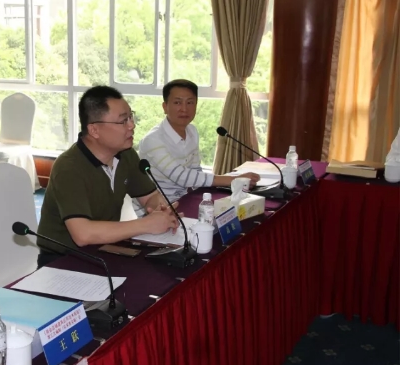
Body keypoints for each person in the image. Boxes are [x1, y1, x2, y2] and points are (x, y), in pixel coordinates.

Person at [36, 85, 180, 267]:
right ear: (94, 130)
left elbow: (150, 196)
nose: (132, 125)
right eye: (123, 121)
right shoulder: (69, 167)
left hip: (105, 249)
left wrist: (160, 210)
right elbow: (83, 234)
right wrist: (147, 224)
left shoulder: (125, 154)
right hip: (63, 259)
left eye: (131, 117)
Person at [135, 79, 260, 213]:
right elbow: (181, 176)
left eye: (190, 102)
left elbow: (195, 170)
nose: (184, 109)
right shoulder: (153, 140)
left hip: (186, 199)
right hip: (158, 208)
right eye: (177, 102)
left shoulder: (192, 131)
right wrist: (232, 180)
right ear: (165, 107)